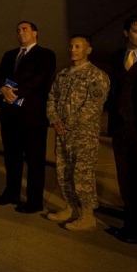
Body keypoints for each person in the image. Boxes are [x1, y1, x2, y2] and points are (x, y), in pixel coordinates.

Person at [0, 21, 56, 214]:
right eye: (18, 30)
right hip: (10, 116)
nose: (20, 33)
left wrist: (15, 93)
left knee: (35, 161)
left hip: (32, 117)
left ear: (35, 32)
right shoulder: (10, 55)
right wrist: (2, 89)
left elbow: (40, 79)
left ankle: (34, 201)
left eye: (24, 29)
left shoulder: (45, 55)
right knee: (12, 158)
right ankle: (11, 193)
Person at [45, 35, 110, 231]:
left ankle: (88, 215)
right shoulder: (63, 75)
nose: (73, 49)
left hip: (83, 135)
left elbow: (93, 106)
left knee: (83, 175)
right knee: (64, 171)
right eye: (72, 46)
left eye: (78, 46)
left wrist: (67, 124)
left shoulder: (96, 76)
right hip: (62, 133)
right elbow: (51, 99)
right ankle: (71, 208)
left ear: (88, 50)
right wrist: (56, 121)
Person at [106, 15, 137, 244]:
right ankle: (130, 223)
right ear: (126, 33)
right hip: (120, 129)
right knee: (126, 179)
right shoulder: (117, 57)